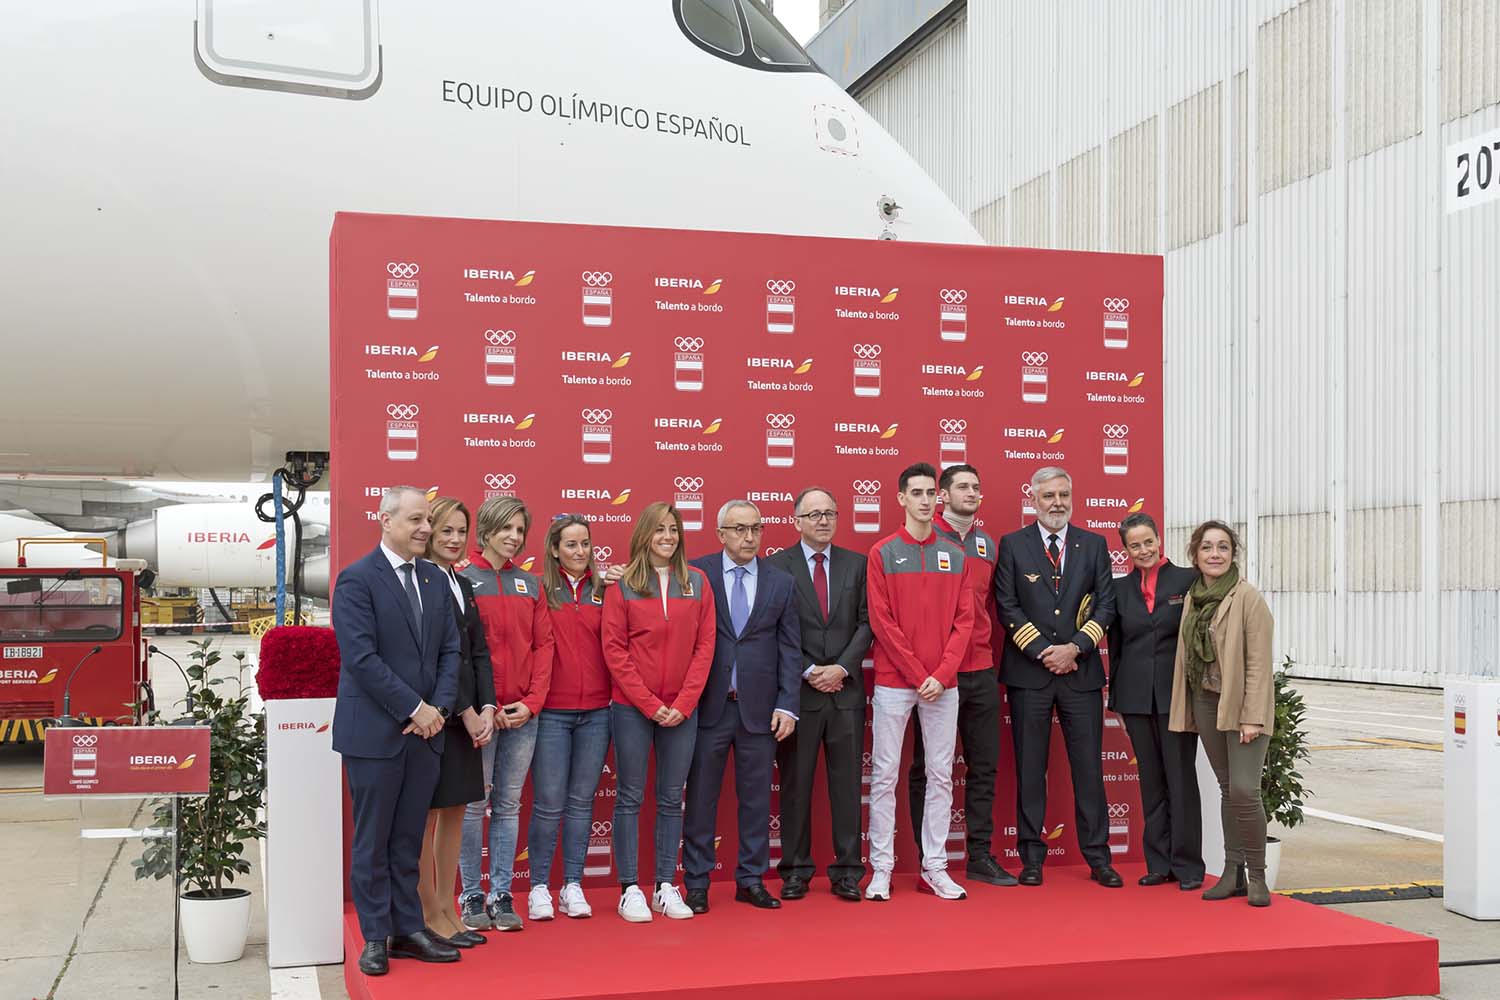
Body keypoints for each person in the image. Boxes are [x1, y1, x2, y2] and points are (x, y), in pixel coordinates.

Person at [332, 486, 461, 976]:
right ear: (385, 520)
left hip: (426, 735)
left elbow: (451, 651)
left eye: (427, 519)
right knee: (373, 840)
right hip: (376, 734)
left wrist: (439, 709)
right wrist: (414, 707)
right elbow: (361, 658)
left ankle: (408, 929)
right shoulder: (357, 580)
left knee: (408, 838)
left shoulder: (433, 578)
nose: (426, 529)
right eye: (415, 520)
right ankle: (375, 936)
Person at [995, 466, 1120, 888]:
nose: (1057, 503)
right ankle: (1031, 858)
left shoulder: (1094, 544)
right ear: (1033, 499)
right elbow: (1007, 606)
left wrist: (1076, 649)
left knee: (1089, 770)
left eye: (1064, 494)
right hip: (1030, 674)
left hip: (1080, 674)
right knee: (1030, 769)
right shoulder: (1012, 545)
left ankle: (1099, 858)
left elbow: (1106, 605)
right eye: (1048, 495)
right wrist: (1041, 651)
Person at [682, 500, 801, 913]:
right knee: (700, 799)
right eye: (739, 529)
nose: (749, 537)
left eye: (755, 529)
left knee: (755, 801)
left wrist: (788, 705)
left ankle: (750, 879)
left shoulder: (781, 582)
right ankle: (695, 882)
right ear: (720, 533)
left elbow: (790, 649)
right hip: (707, 708)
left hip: (759, 710)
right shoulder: (696, 574)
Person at [602, 501, 716, 922]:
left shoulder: (698, 582)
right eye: (659, 530)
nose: (667, 537)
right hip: (632, 707)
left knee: (671, 798)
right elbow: (615, 651)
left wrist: (682, 704)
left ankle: (665, 885)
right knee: (630, 797)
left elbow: (705, 647)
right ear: (644, 535)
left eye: (673, 529)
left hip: (682, 711)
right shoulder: (622, 585)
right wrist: (650, 704)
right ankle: (629, 887)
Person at [864, 462, 974, 902]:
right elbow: (882, 621)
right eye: (918, 493)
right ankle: (881, 869)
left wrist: (942, 675)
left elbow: (965, 622)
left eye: (932, 493)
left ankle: (935, 867)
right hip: (895, 682)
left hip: (943, 686)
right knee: (885, 775)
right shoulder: (883, 553)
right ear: (901, 499)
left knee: (941, 776)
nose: (927, 500)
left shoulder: (957, 555)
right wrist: (917, 673)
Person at [909, 464, 1017, 887]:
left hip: (982, 670)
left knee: (984, 765)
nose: (972, 493)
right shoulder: (925, 538)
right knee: (928, 768)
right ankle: (927, 861)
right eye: (963, 487)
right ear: (941, 495)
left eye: (977, 486)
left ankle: (980, 855)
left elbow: (990, 607)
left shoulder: (988, 544)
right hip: (938, 676)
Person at [767, 487, 872, 902]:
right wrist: (809, 670)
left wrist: (841, 668)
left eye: (829, 513)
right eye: (813, 515)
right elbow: (774, 629)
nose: (823, 521)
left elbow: (867, 624)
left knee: (847, 788)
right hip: (799, 696)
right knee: (795, 787)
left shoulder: (858, 565)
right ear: (796, 522)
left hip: (845, 693)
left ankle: (848, 870)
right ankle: (795, 870)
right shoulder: (777, 566)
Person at [458, 497, 555, 932]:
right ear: (488, 530)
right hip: (480, 716)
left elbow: (544, 648)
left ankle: (501, 894)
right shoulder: (462, 580)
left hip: (522, 716)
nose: (514, 537)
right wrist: (485, 705)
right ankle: (471, 895)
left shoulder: (531, 585)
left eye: (520, 530)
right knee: (474, 805)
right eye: (507, 529)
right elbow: (461, 653)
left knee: (509, 804)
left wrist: (531, 703)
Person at [1169, 520, 1276, 907]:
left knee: (1245, 791)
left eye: (1223, 548)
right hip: (1206, 700)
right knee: (1228, 789)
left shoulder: (1247, 597)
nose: (1215, 554)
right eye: (1207, 548)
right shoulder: (1193, 599)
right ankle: (1233, 873)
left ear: (1233, 554)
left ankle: (1259, 876)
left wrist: (1251, 716)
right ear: (1195, 555)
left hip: (1243, 706)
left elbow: (1260, 664)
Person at [525, 515, 622, 921]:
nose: (580, 552)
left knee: (582, 803)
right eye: (571, 545)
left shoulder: (607, 589)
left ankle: (572, 886)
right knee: (548, 804)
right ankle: (538, 889)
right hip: (551, 714)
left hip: (598, 712)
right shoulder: (539, 590)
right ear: (553, 549)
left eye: (585, 544)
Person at [1106, 512, 1204, 890]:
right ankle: (1158, 863)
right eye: (1135, 545)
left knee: (1180, 779)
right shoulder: (1118, 589)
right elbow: (1115, 647)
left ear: (1159, 540)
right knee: (1150, 781)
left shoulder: (1188, 580)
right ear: (1125, 550)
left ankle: (1188, 866)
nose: (1143, 550)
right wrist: (1116, 693)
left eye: (1149, 542)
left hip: (1177, 696)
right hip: (1134, 697)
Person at [416, 498, 496, 948]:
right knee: (428, 817)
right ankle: (428, 912)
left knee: (457, 813)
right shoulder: (422, 582)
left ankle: (448, 906)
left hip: (467, 718)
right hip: (438, 718)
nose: (452, 539)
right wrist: (463, 709)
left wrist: (486, 707)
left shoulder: (462, 583)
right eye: (444, 530)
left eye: (460, 531)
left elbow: (477, 653)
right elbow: (435, 659)